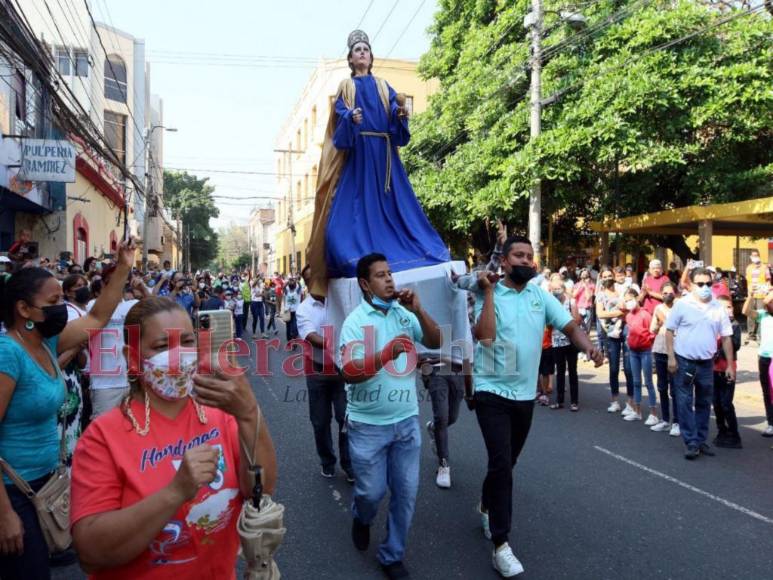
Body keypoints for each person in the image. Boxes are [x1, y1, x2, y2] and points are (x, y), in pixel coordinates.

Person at [70, 297, 277, 578]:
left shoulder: (220, 413)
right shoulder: (102, 437)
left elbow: (260, 491)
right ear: (133, 357)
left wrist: (250, 414)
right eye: (162, 346)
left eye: (188, 341)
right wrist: (176, 491)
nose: (180, 355)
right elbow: (91, 552)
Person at [0, 240, 136, 580]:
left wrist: (123, 268)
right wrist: (3, 513)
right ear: (24, 309)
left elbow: (97, 316)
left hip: (43, 485)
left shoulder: (45, 343)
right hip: (12, 491)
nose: (62, 307)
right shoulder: (8, 355)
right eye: (54, 301)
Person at [472, 235, 602, 578]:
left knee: (507, 462)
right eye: (518, 255)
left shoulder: (539, 296)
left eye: (530, 256)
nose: (526, 261)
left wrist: (588, 347)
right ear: (504, 261)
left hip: (524, 395)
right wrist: (486, 292)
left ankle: (486, 504)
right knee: (501, 463)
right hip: (490, 390)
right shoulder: (485, 292)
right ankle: (501, 544)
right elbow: (483, 336)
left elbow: (570, 325)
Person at [306, 29, 450, 296]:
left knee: (401, 209)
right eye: (357, 50)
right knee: (344, 220)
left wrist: (400, 114)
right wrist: (350, 118)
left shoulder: (384, 86)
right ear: (350, 59)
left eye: (366, 50)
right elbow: (339, 129)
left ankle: (410, 253)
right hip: (359, 159)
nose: (362, 53)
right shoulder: (346, 87)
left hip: (385, 160)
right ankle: (355, 257)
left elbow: (397, 126)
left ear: (371, 58)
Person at [339, 253, 441, 579]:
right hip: (367, 426)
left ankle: (391, 555)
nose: (390, 280)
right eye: (381, 275)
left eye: (390, 273)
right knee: (371, 493)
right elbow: (350, 372)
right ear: (365, 284)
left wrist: (419, 311)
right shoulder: (355, 321)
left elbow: (437, 340)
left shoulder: (403, 313)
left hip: (406, 421)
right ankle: (361, 515)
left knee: (406, 493)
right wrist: (386, 353)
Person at [666, 268, 735, 460]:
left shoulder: (718, 307)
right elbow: (669, 330)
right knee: (685, 402)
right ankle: (691, 442)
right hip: (684, 362)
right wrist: (671, 357)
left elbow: (727, 337)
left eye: (708, 284)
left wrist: (729, 365)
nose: (705, 287)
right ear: (692, 284)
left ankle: (700, 439)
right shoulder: (682, 305)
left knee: (704, 402)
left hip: (706, 364)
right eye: (701, 284)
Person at [297, 265, 353, 482]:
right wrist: (339, 342)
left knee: (345, 418)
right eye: (311, 279)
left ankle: (349, 464)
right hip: (317, 372)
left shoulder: (339, 303)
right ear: (307, 283)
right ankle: (327, 461)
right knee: (320, 422)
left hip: (341, 372)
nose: (317, 281)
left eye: (319, 276)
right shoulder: (304, 309)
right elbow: (311, 337)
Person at [87, 265, 141, 419]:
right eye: (113, 280)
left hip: (132, 382)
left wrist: (142, 287)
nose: (118, 283)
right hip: (104, 385)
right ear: (104, 283)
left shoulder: (132, 305)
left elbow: (158, 310)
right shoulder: (93, 306)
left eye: (122, 279)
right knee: (103, 434)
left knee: (133, 431)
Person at [597, 268, 634, 414]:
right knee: (613, 368)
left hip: (627, 329)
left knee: (629, 368)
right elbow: (600, 313)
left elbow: (631, 307)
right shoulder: (600, 295)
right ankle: (615, 400)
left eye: (609, 276)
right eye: (604, 276)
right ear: (601, 278)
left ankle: (631, 402)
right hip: (610, 332)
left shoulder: (622, 290)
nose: (607, 278)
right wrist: (618, 313)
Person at [623, 288, 659, 425]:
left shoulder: (646, 315)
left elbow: (652, 332)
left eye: (630, 300)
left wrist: (647, 342)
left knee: (648, 382)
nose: (628, 303)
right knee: (636, 382)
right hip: (633, 352)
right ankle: (637, 412)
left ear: (637, 298)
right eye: (626, 301)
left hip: (645, 352)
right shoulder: (628, 316)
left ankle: (653, 414)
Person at [742, 288, 773, 438]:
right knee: (767, 391)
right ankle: (771, 423)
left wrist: (769, 291)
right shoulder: (763, 315)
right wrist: (750, 296)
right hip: (764, 357)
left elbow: (767, 300)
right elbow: (746, 311)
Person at [712, 296, 742, 448]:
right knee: (716, 402)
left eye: (730, 307)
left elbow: (735, 345)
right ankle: (721, 431)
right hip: (714, 369)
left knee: (726, 403)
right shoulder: (714, 325)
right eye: (724, 307)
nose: (728, 310)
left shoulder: (734, 326)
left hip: (727, 369)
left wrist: (725, 334)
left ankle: (734, 434)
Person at [649, 282, 679, 435]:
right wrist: (658, 323)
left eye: (670, 292)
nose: (668, 295)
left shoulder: (679, 307)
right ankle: (666, 419)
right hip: (660, 349)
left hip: (675, 352)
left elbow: (678, 328)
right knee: (662, 387)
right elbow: (652, 328)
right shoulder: (658, 308)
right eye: (665, 293)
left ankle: (677, 422)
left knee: (675, 389)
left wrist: (666, 320)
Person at [549, 278, 581, 411]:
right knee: (560, 372)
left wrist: (562, 321)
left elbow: (577, 320)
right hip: (556, 341)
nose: (556, 292)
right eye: (553, 289)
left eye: (558, 289)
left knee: (572, 371)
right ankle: (559, 400)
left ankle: (574, 402)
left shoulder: (571, 302)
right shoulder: (551, 304)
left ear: (563, 289)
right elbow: (548, 323)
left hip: (570, 341)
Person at [745, 249, 771, 344]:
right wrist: (748, 293)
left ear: (759, 256)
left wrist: (767, 292)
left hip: (761, 294)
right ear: (750, 257)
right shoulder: (748, 268)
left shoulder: (765, 267)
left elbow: (768, 280)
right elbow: (747, 281)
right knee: (750, 314)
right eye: (753, 255)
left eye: (756, 255)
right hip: (751, 294)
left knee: (761, 314)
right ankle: (751, 334)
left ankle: (760, 335)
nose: (754, 257)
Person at [283, 277, 302, 341]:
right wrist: (289, 281)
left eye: (292, 283)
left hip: (295, 312)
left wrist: (296, 280)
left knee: (295, 327)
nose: (291, 283)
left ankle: (294, 338)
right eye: (290, 283)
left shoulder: (297, 292)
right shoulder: (287, 292)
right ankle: (289, 341)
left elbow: (300, 286)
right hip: (287, 312)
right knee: (288, 328)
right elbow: (284, 287)